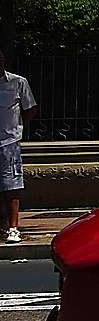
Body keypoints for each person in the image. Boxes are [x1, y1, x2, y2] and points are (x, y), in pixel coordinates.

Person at [0, 51, 36, 244]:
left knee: (11, 186)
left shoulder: (17, 82)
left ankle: (13, 228)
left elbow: (30, 109)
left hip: (8, 142)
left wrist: (18, 128)